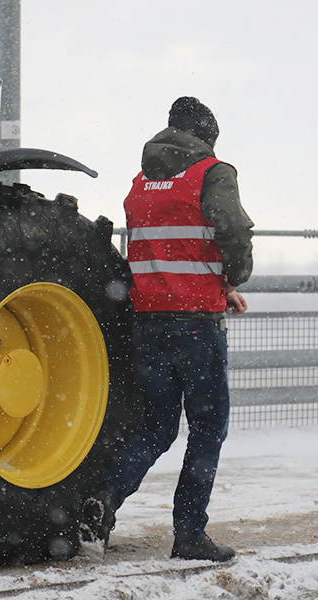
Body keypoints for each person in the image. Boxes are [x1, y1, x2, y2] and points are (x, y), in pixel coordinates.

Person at [80, 97, 254, 562]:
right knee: (207, 426)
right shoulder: (213, 173)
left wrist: (218, 288)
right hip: (195, 324)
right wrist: (235, 276)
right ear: (207, 137)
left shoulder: (143, 181)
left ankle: (103, 499)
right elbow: (231, 230)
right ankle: (190, 534)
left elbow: (166, 249)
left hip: (147, 320)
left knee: (157, 426)